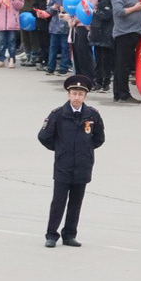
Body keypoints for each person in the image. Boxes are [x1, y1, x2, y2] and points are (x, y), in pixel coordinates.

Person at [39, 74, 106, 248]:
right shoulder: (58, 115)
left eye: (80, 94)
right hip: (64, 165)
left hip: (83, 165)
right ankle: (51, 235)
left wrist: (86, 150)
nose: (77, 97)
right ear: (68, 94)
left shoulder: (92, 115)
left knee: (76, 203)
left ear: (85, 96)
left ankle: (69, 234)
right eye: (74, 93)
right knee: (58, 202)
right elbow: (44, 136)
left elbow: (99, 138)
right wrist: (60, 149)